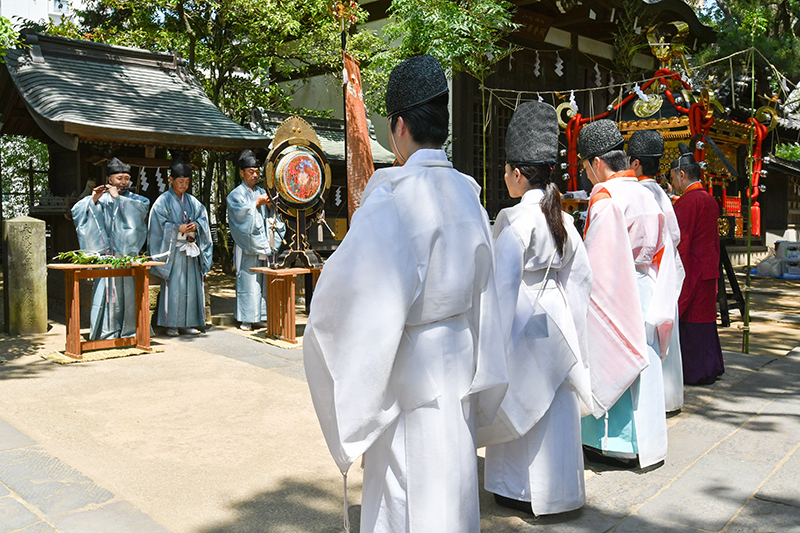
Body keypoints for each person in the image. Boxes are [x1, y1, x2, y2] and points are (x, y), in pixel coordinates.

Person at [303, 54, 508, 533]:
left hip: (411, 371)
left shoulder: (394, 196)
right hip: (458, 356)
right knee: (452, 486)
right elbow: (487, 292)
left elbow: (345, 305)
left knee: (405, 490)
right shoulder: (468, 193)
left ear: (398, 127)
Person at [480, 101, 593, 516]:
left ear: (516, 173)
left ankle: (518, 488)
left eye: (507, 170)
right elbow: (581, 279)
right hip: (555, 313)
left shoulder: (513, 220)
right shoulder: (561, 219)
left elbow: (501, 286)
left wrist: (494, 345)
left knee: (519, 396)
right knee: (556, 403)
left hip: (522, 316)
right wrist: (574, 329)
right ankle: (560, 489)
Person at [578, 119, 675, 469]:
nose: (587, 176)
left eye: (586, 167)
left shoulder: (606, 198)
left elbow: (597, 260)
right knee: (644, 363)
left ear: (598, 163)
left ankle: (612, 442)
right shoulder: (648, 195)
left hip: (618, 286)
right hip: (647, 283)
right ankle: (646, 441)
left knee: (614, 350)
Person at [628, 130, 686, 413]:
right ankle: (669, 397)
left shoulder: (637, 193)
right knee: (665, 334)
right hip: (663, 270)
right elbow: (674, 235)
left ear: (635, 163)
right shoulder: (661, 192)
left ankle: (653, 401)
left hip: (644, 272)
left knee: (649, 337)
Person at [71, 157, 149, 340]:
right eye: (119, 178)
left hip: (126, 258)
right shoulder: (102, 198)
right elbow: (77, 211)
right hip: (107, 258)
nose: (123, 182)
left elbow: (139, 213)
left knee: (129, 296)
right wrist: (92, 200)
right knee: (105, 296)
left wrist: (118, 199)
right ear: (109, 180)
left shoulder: (137, 200)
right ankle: (105, 332)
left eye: (126, 179)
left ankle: (131, 331)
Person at [670, 143, 725, 384]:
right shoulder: (708, 199)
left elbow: (682, 244)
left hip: (692, 269)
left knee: (692, 324)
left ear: (682, 175)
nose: (673, 183)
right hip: (709, 267)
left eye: (673, 177)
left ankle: (697, 372)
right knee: (706, 323)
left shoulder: (687, 203)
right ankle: (712, 366)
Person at [148, 157, 213, 336]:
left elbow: (203, 217)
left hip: (190, 250)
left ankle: (189, 323)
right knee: (174, 287)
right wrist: (177, 228)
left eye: (186, 182)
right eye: (180, 182)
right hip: (173, 252)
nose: (184, 186)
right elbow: (157, 225)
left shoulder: (192, 201)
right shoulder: (162, 201)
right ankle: (172, 324)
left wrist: (197, 226)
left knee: (191, 287)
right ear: (171, 180)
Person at [227, 149, 286, 331]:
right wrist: (255, 205)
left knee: (263, 281)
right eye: (251, 172)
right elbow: (239, 216)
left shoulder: (262, 191)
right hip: (247, 245)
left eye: (257, 172)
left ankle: (262, 316)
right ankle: (246, 318)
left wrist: (270, 207)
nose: (255, 175)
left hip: (265, 243)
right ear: (242, 173)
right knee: (249, 280)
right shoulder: (235, 195)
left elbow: (274, 217)